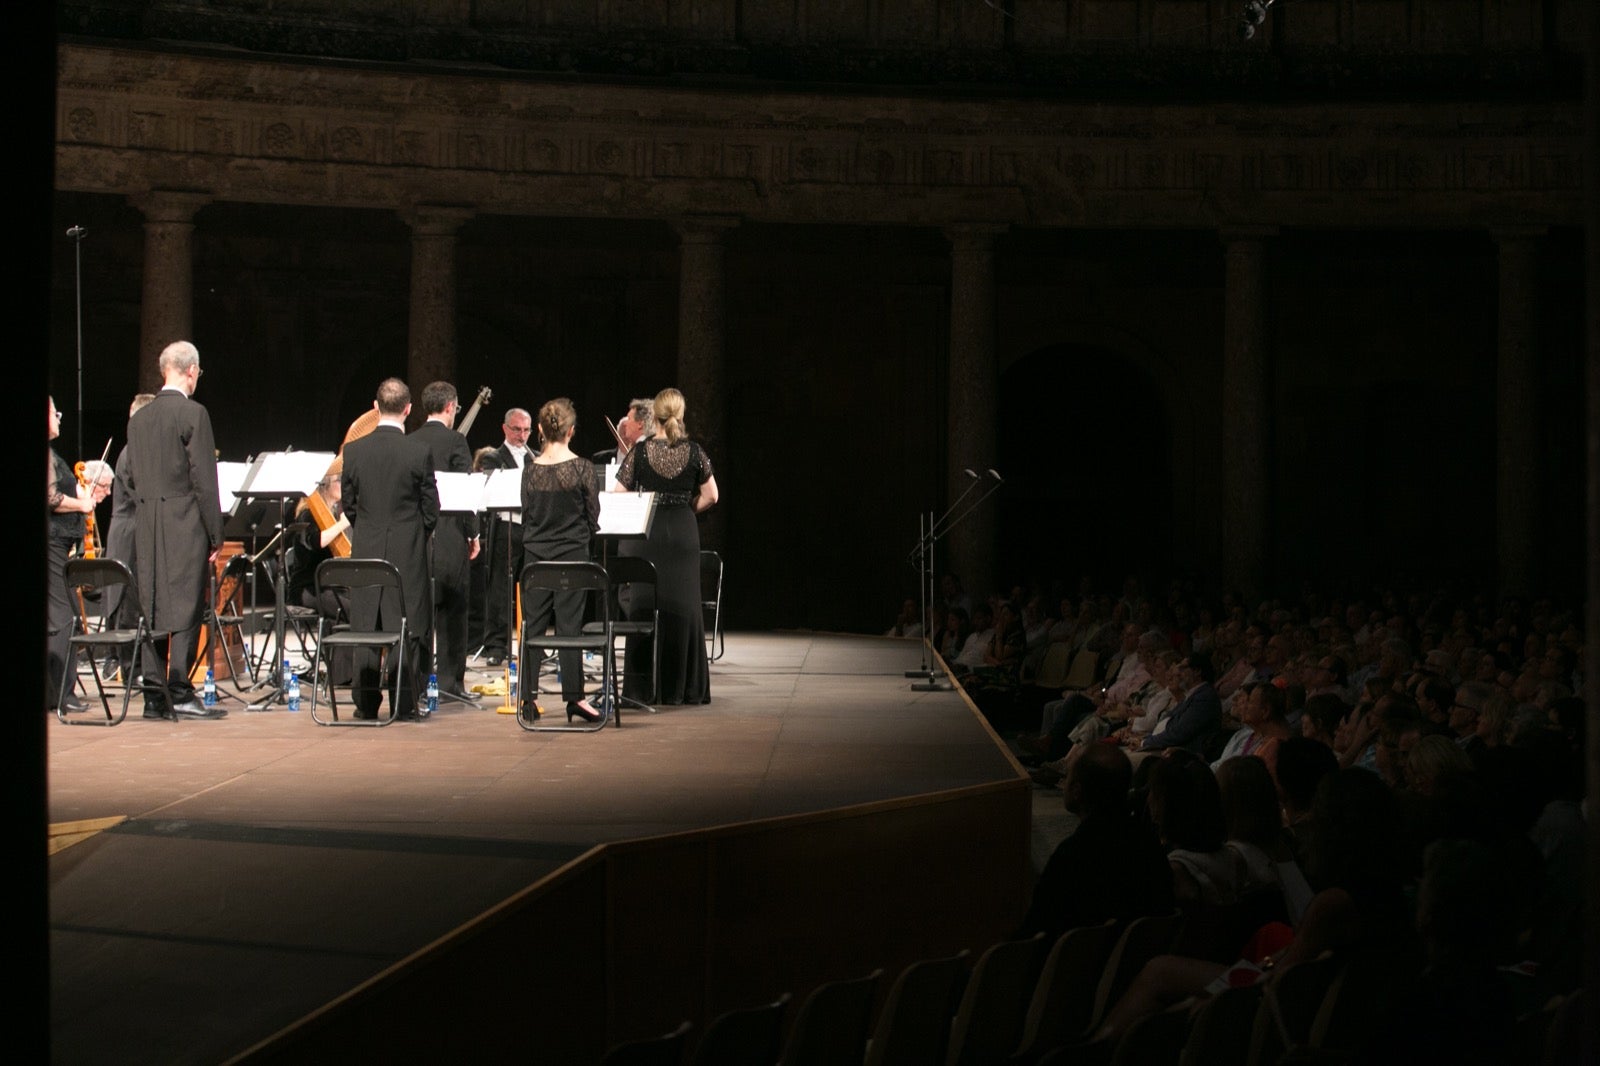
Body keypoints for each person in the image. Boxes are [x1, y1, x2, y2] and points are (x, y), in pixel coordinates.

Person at [125, 341, 225, 720]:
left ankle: (153, 694)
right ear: (191, 371)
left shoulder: (138, 419)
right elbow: (204, 478)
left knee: (152, 604)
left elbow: (133, 476)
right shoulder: (193, 413)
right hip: (184, 521)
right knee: (186, 605)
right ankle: (180, 690)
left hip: (147, 523)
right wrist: (215, 533)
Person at [613, 387, 718, 705]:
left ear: (653, 417)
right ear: (680, 415)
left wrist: (645, 505)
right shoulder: (695, 451)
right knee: (685, 607)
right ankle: (684, 687)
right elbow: (712, 495)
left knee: (645, 603)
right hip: (683, 533)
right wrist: (687, 509)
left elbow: (618, 494)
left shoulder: (640, 453)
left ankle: (643, 688)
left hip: (648, 534)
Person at [341, 378, 439, 720]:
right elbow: (431, 509)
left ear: (375, 407)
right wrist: (414, 533)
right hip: (408, 548)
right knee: (408, 623)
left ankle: (366, 705)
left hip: (366, 546)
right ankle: (404, 702)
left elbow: (349, 506)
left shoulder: (354, 452)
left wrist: (368, 527)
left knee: (367, 622)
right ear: (409, 409)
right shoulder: (418, 451)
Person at [520, 398, 602, 722]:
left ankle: (527, 699)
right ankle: (575, 699)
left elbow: (527, 516)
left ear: (539, 430)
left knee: (533, 626)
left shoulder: (530, 472)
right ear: (571, 431)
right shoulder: (582, 468)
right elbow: (592, 517)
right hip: (572, 557)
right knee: (570, 627)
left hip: (536, 560)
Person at [413, 382, 481, 701]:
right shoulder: (456, 441)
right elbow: (465, 491)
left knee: (422, 608)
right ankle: (450, 683)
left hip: (417, 537)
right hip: (451, 532)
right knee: (454, 609)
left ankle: (422, 681)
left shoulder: (410, 441)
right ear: (451, 407)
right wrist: (473, 533)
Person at [47, 396, 110, 713]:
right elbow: (50, 497)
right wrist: (81, 504)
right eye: (54, 411)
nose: (59, 417)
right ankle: (60, 694)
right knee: (64, 619)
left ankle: (58, 691)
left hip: (59, 546)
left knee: (66, 617)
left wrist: (82, 494)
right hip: (52, 546)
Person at [101, 393, 155, 680]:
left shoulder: (137, 449)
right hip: (129, 530)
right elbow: (143, 494)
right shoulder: (134, 451)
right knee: (126, 598)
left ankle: (128, 665)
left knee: (131, 598)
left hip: (132, 527)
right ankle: (125, 666)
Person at [478, 407, 534, 666]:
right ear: (505, 429)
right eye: (516, 429)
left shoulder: (535, 458)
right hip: (505, 527)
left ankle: (532, 643)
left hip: (530, 528)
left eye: (526, 430)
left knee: (531, 586)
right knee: (500, 588)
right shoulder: (493, 458)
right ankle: (496, 647)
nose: (521, 435)